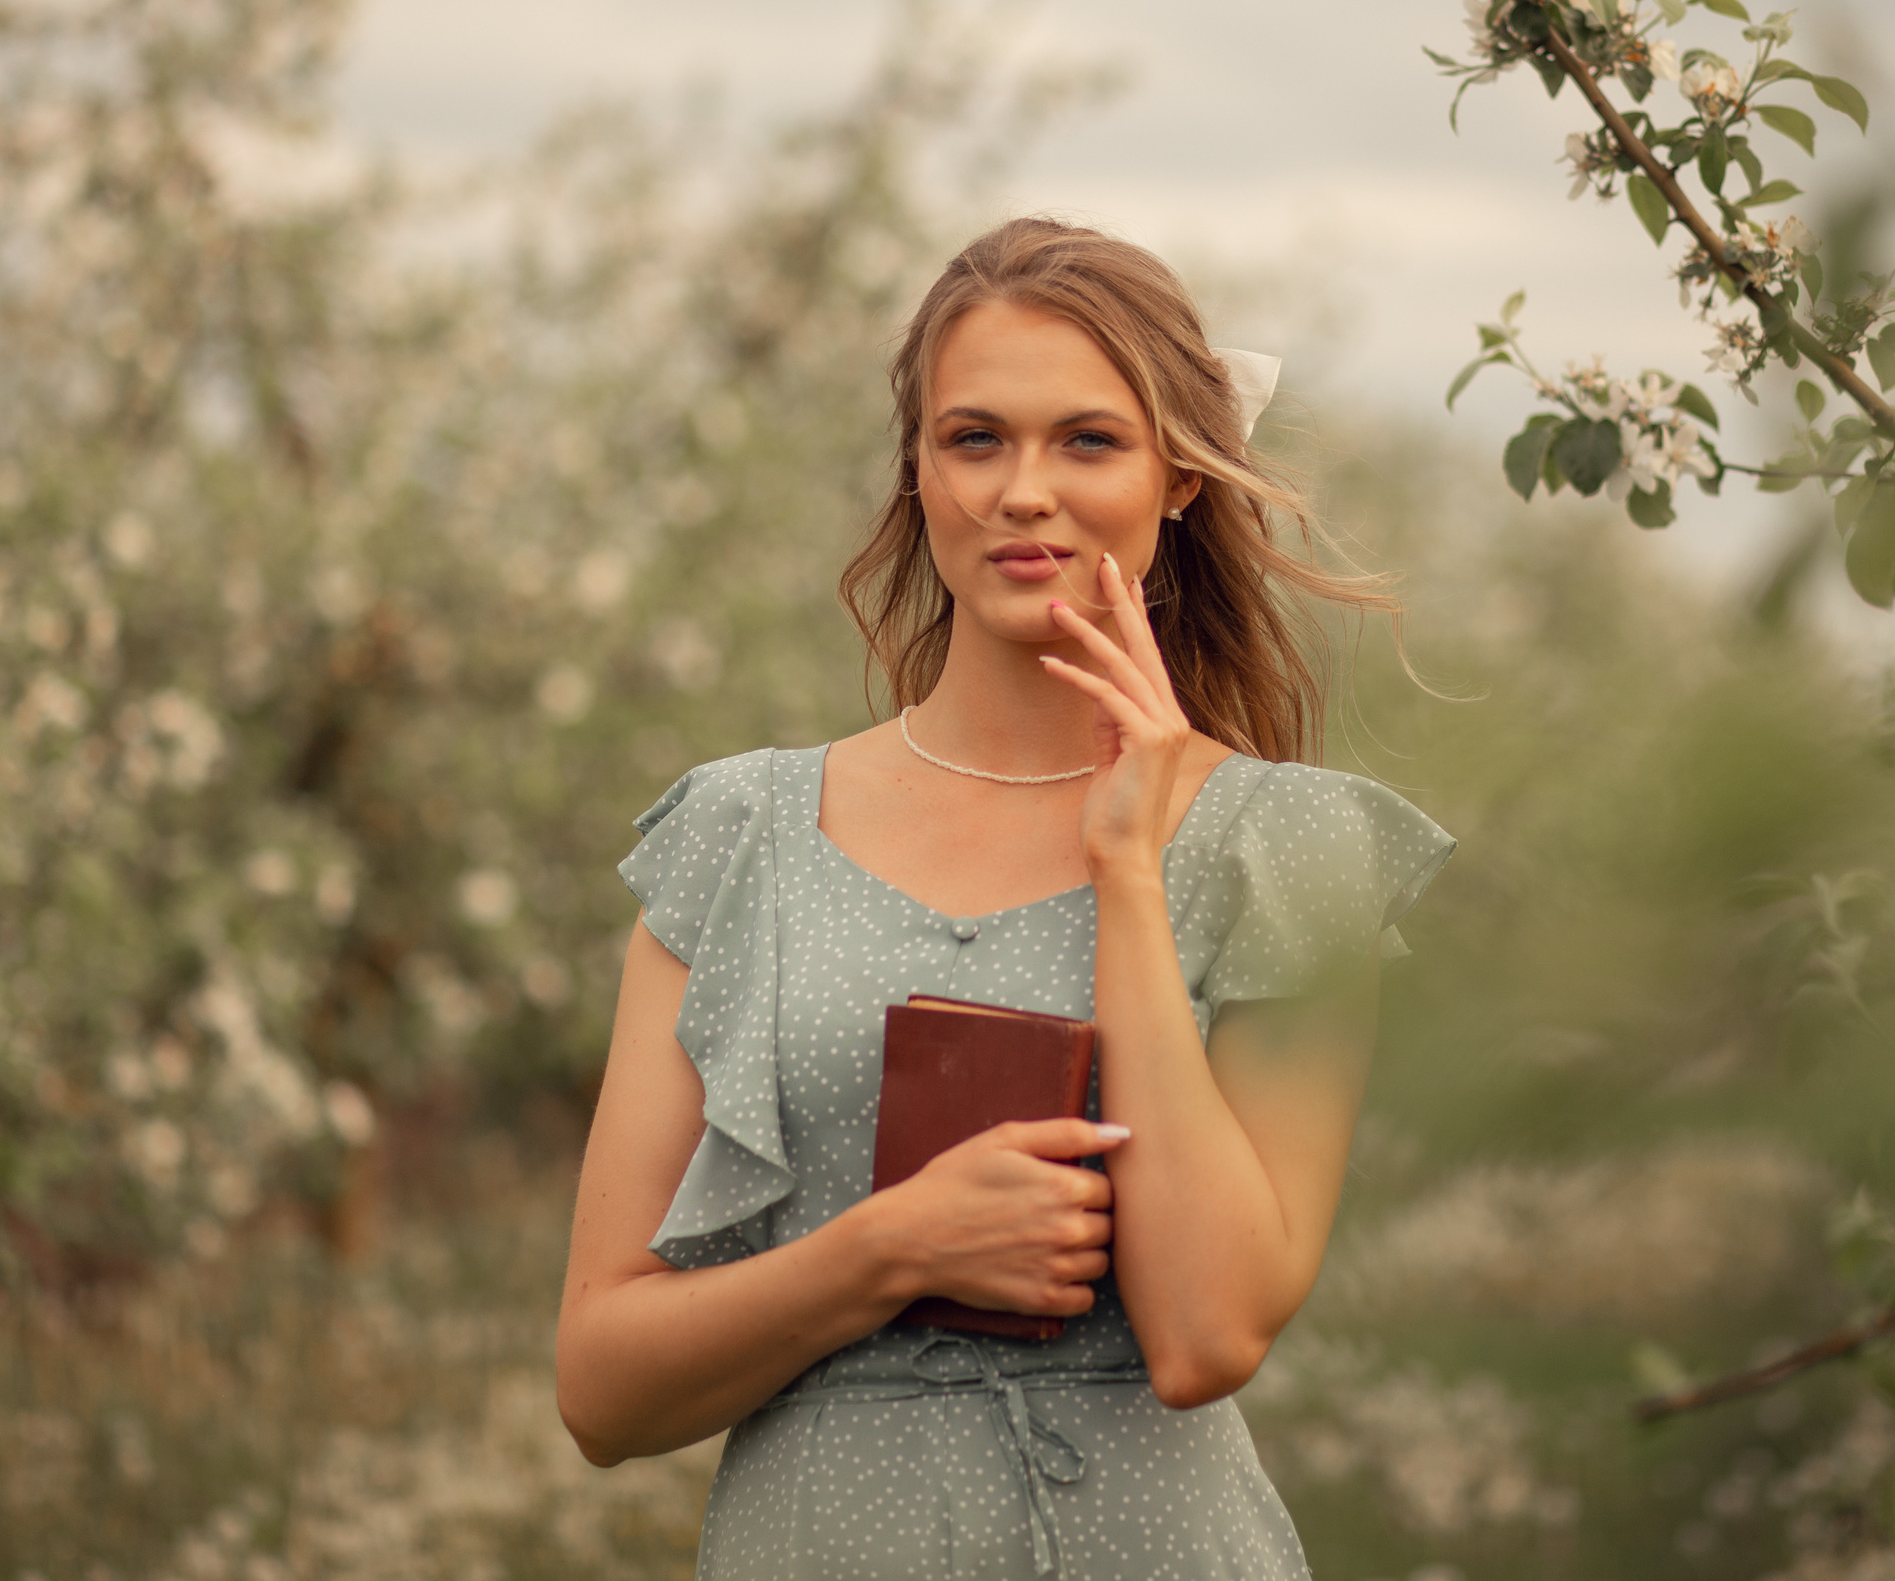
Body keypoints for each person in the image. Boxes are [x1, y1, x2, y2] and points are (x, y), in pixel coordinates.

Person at [555, 218, 1454, 1579]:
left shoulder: (1293, 850)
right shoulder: (738, 832)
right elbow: (604, 1390)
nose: (1023, 491)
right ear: (918, 473)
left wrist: (1130, 874)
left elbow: (1211, 1335)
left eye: (1088, 441)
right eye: (974, 439)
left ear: (1180, 481)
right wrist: (893, 1247)